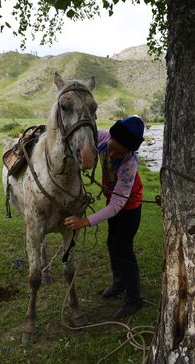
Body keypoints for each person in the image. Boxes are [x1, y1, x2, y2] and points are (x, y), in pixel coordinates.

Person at [64, 115, 145, 319]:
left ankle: (134, 298)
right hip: (113, 201)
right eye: (112, 146)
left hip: (130, 207)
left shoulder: (129, 165)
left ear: (129, 151)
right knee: (111, 243)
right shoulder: (102, 138)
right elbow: (82, 136)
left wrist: (85, 222)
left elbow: (118, 204)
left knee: (123, 247)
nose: (111, 152)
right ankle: (119, 282)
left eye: (118, 152)